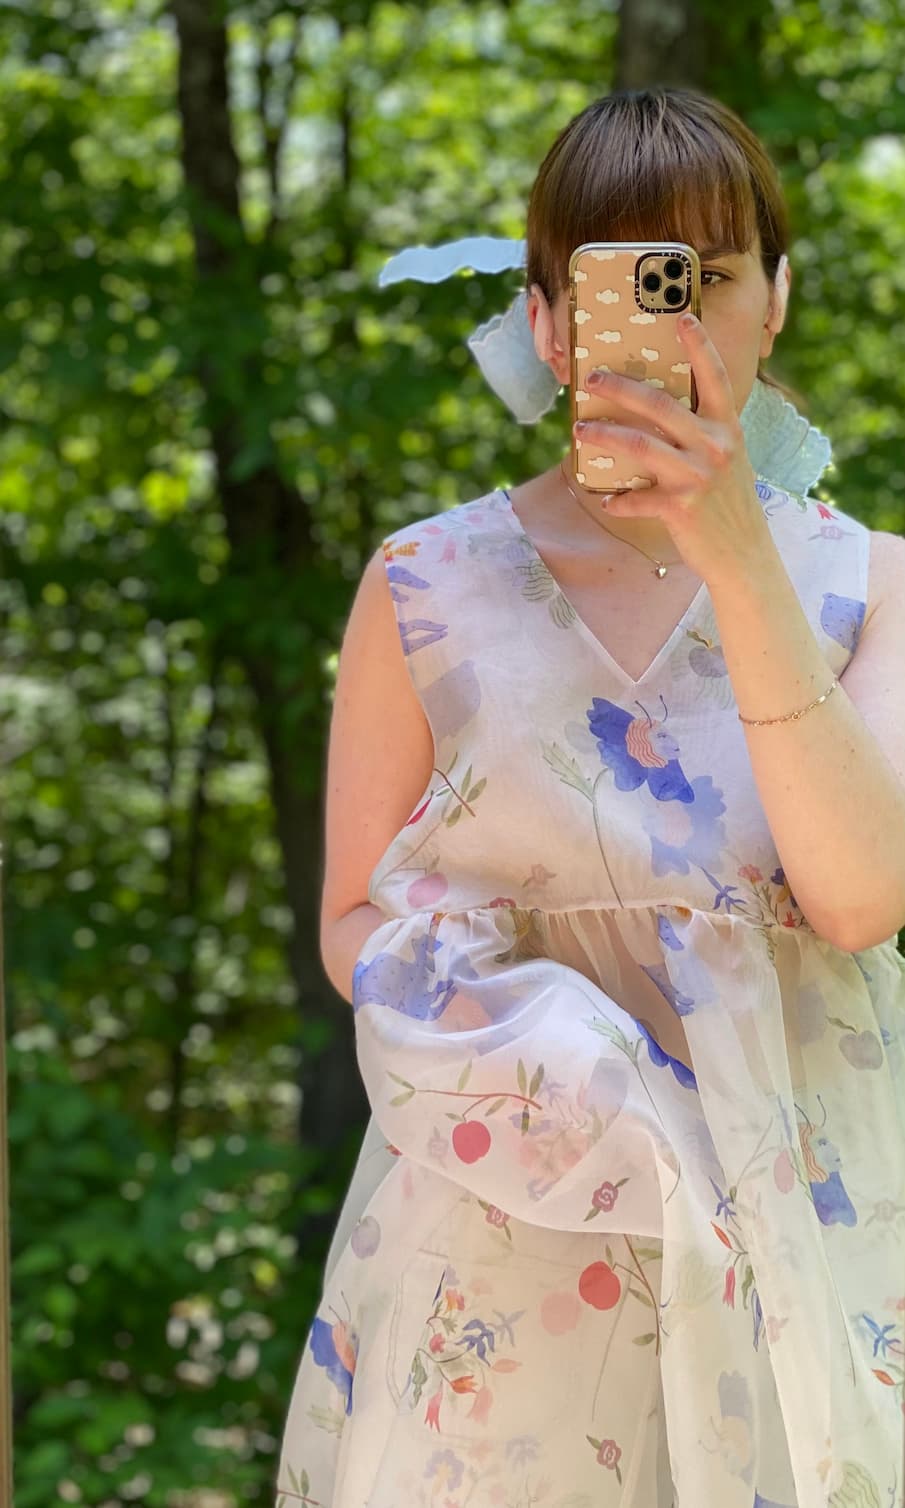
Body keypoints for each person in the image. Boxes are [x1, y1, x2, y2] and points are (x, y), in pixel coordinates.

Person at [275, 88, 905, 1508]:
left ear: (773, 300)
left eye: (709, 273)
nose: (673, 322)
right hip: (508, 1223)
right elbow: (350, 914)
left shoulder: (874, 585)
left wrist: (738, 555)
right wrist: (525, 1050)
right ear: (552, 320)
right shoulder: (422, 583)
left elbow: (860, 899)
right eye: (623, 279)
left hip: (801, 1234)